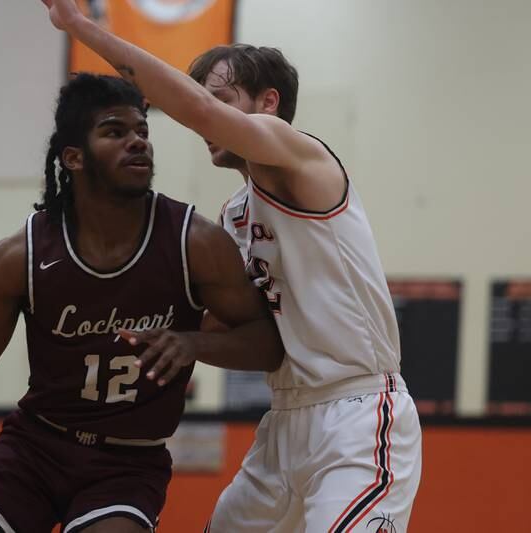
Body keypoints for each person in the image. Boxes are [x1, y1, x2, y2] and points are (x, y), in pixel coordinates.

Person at [40, 2, 422, 531]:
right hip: (285, 420)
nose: (203, 115)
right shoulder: (235, 216)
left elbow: (193, 109)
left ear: (268, 103)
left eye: (219, 99)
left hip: (358, 412)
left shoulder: (301, 156)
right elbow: (237, 332)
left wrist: (85, 31)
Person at [0, 73, 283, 533]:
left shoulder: (194, 242)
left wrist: (193, 343)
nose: (138, 142)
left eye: (142, 131)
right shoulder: (21, 256)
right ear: (73, 158)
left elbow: (268, 343)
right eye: (115, 132)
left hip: (128, 461)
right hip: (35, 446)